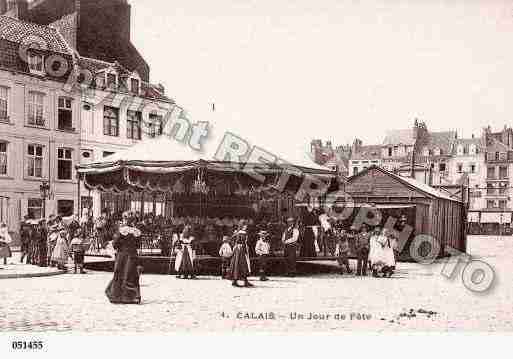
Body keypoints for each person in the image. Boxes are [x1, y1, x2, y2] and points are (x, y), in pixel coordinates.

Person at [105, 212, 142, 304]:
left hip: (122, 255)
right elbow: (138, 245)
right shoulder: (137, 232)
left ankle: (117, 296)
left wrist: (113, 245)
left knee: (120, 273)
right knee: (131, 275)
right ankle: (132, 297)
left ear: (125, 220)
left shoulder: (121, 231)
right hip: (133, 255)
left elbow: (116, 243)